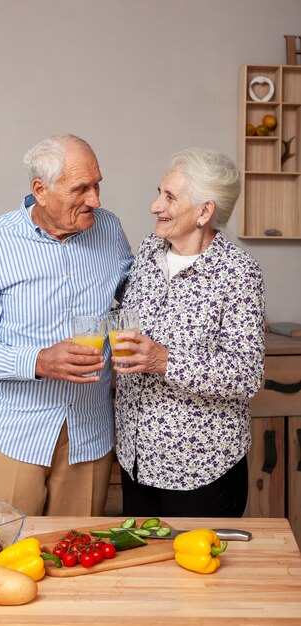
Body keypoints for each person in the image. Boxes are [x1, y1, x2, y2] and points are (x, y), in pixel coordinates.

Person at [0, 134, 133, 516]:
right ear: (41, 190)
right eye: (81, 188)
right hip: (16, 435)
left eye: (97, 184)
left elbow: (138, 301)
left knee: (79, 559)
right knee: (2, 556)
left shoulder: (110, 230)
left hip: (90, 433)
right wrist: (39, 361)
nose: (95, 200)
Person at [111, 147, 265, 518]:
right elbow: (124, 316)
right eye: (159, 192)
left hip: (200, 468)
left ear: (204, 211)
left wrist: (164, 359)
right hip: (136, 457)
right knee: (146, 572)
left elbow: (247, 375)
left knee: (199, 575)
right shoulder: (148, 251)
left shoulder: (238, 274)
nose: (154, 205)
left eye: (169, 196)